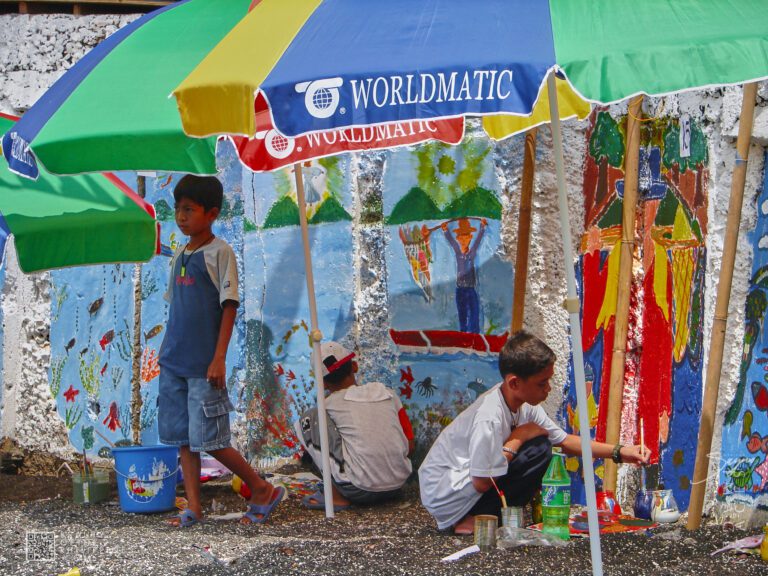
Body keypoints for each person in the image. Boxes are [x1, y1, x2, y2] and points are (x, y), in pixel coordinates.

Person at [418, 330, 649, 534]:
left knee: (540, 445)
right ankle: (472, 518)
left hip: (469, 485)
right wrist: (518, 437)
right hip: (446, 495)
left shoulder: (525, 406)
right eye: (541, 383)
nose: (548, 388)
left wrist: (621, 452)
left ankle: (486, 515)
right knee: (538, 449)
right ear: (514, 383)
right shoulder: (489, 416)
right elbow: (481, 481)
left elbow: (564, 441)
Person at [158, 174, 283, 527]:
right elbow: (176, 308)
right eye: (178, 209)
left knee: (211, 440)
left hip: (204, 365)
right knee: (183, 440)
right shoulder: (179, 253)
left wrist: (219, 359)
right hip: (173, 362)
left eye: (189, 210)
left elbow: (229, 306)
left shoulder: (220, 252)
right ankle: (194, 508)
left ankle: (261, 488)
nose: (181, 217)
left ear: (211, 213)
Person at [296, 341, 415, 511]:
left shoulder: (328, 405)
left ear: (323, 383)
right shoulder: (388, 393)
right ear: (354, 366)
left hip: (358, 490)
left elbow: (312, 448)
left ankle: (335, 497)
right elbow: (410, 445)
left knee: (310, 418)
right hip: (397, 485)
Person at [442, 217, 487, 333]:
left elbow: (477, 242)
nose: (464, 240)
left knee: (474, 313)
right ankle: (463, 334)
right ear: (458, 238)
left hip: (471, 289)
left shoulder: (471, 253)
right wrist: (445, 230)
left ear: (470, 238)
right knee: (462, 314)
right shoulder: (458, 253)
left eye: (466, 237)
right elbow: (452, 243)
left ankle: (475, 334)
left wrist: (482, 227)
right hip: (460, 290)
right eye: (461, 238)